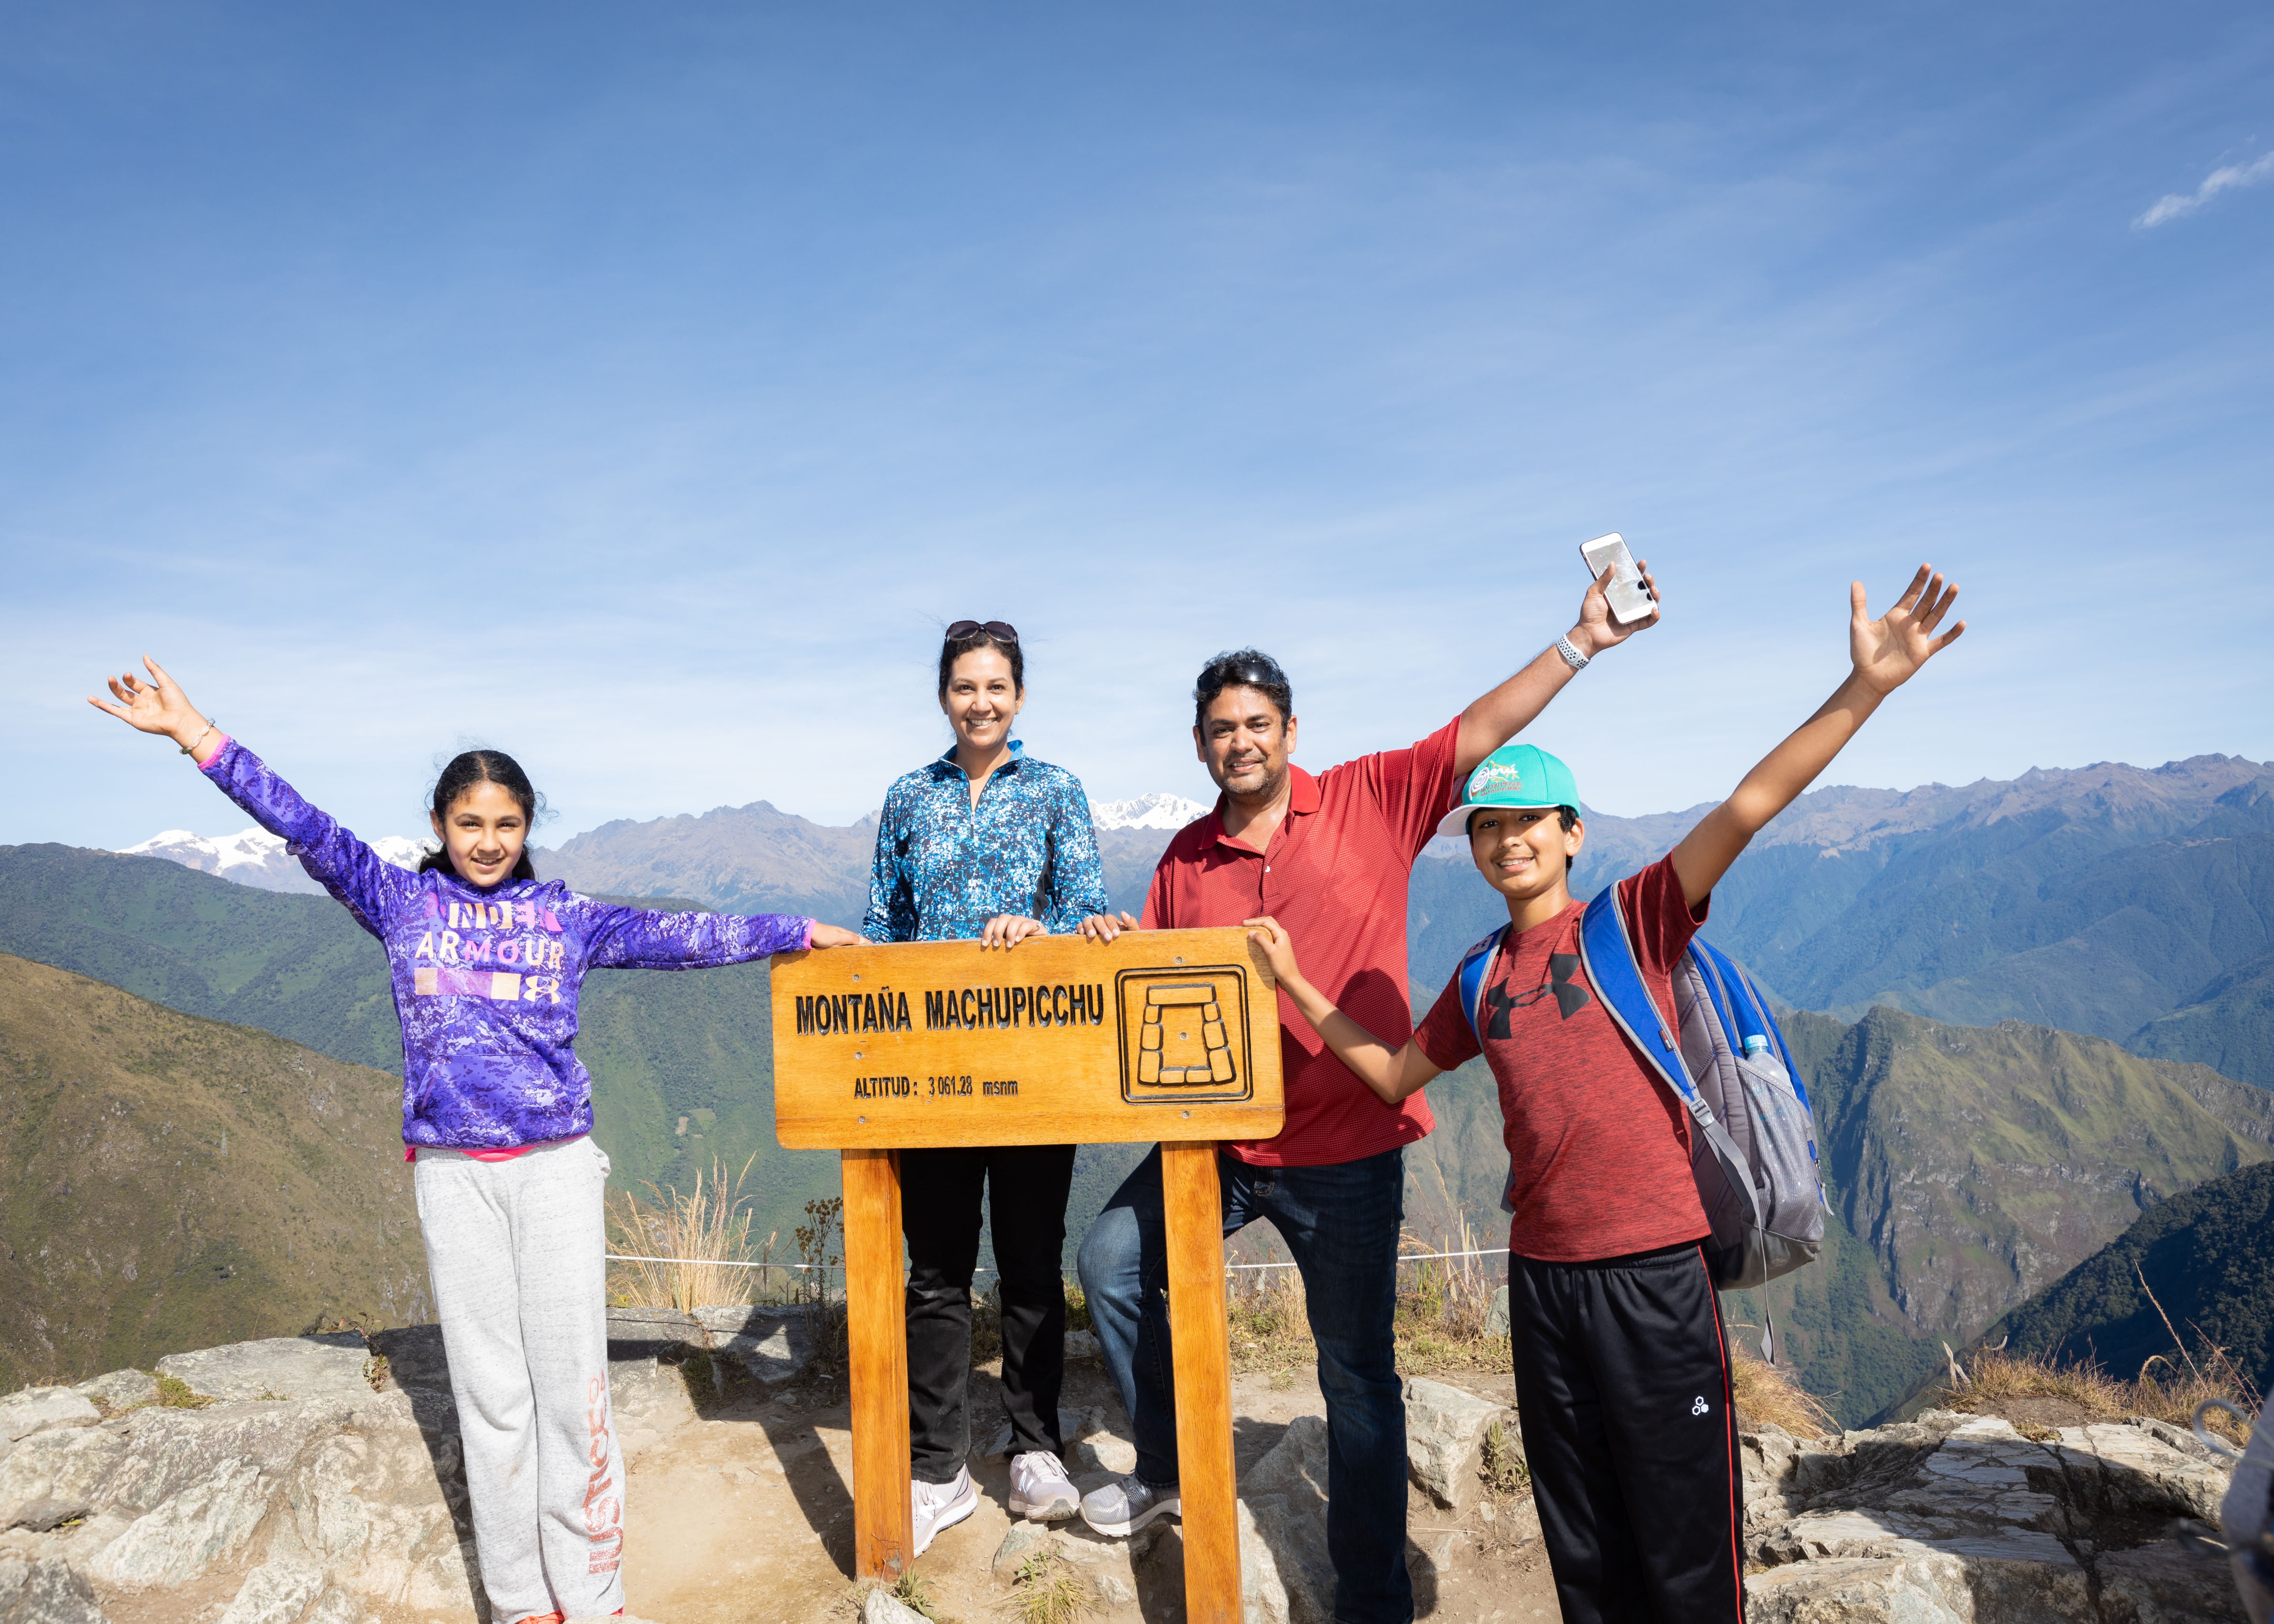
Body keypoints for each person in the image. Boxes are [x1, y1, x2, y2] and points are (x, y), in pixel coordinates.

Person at [1244, 566, 1968, 1622]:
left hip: (1655, 1277)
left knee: (1685, 1551)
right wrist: (1300, 984)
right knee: (1581, 1545)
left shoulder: (1635, 920)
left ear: (1573, 832)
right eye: (1488, 827)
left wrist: (1865, 690)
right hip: (1543, 1288)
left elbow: (1753, 804)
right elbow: (1397, 1073)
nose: (1507, 841)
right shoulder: (1482, 976)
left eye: (1529, 820)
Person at [87, 657, 863, 1624]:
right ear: (441, 828)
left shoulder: (566, 918)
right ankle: (519, 1602)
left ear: (527, 829)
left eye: (506, 825)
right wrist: (196, 732)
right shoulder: (399, 902)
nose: (488, 843)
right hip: (453, 1177)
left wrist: (804, 930)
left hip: (554, 1173)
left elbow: (682, 939)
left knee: (572, 1393)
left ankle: (593, 1596)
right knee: (492, 1399)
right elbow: (303, 824)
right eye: (469, 825)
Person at [1074, 563, 1662, 1623]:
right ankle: (1168, 1464)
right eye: (1220, 728)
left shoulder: (1371, 799)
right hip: (1221, 1148)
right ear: (1201, 745)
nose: (1239, 741)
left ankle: (1374, 1598)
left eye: (1256, 722)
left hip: (1347, 1149)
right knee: (1113, 1262)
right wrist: (1116, 944)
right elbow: (1159, 994)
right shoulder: (1181, 859)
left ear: (1291, 732)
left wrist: (1582, 641)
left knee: (1354, 1373)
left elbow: (1479, 729)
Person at [863, 619, 1118, 1554]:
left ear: (1020, 696)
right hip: (929, 1071)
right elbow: (883, 922)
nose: (982, 702)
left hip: (1033, 1062)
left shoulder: (1056, 790)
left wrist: (1041, 929)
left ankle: (1035, 1448)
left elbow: (1088, 910)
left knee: (1028, 1261)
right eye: (965, 687)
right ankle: (939, 1470)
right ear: (944, 695)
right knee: (934, 1270)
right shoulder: (907, 797)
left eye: (997, 687)